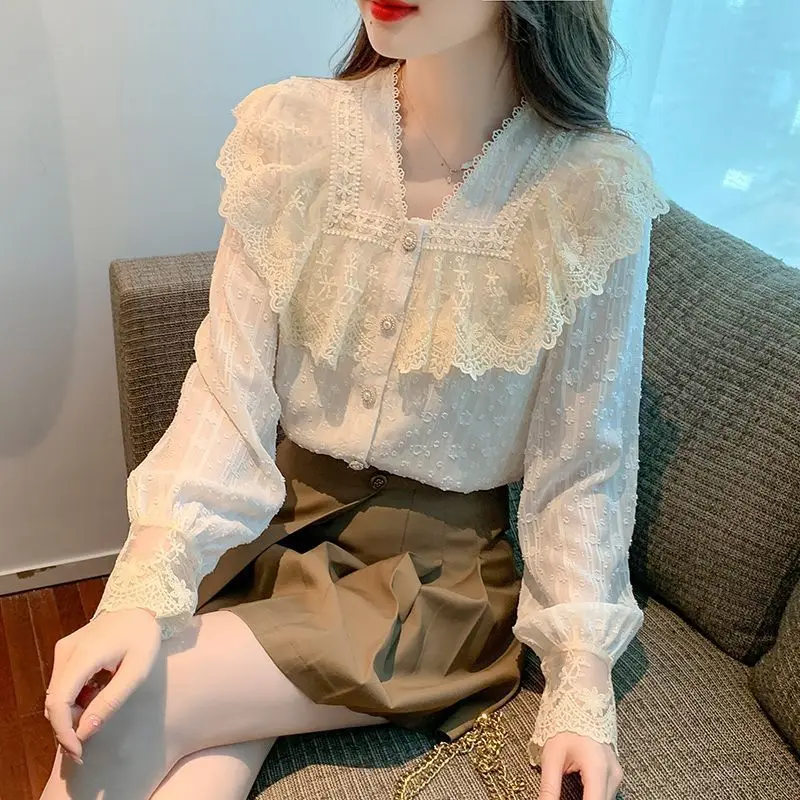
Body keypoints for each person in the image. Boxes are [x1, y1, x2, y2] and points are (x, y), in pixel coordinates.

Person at [40, 1, 670, 799]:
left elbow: (583, 460)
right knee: (176, 754)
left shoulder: (589, 190)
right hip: (271, 526)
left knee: (115, 714)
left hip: (430, 580)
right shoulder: (292, 132)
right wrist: (147, 576)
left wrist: (581, 681)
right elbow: (226, 391)